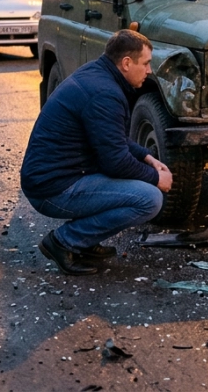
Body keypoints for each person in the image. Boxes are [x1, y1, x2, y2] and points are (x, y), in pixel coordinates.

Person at [21, 30, 173, 275]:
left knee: (140, 187)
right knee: (149, 199)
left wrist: (147, 156)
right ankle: (64, 242)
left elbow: (113, 139)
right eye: (145, 64)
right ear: (126, 63)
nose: (149, 71)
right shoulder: (105, 94)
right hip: (52, 189)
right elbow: (115, 162)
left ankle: (85, 242)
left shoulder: (98, 74)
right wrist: (156, 178)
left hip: (54, 179)